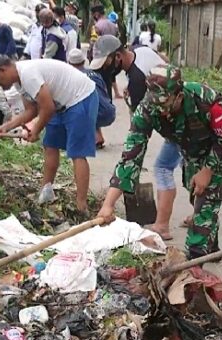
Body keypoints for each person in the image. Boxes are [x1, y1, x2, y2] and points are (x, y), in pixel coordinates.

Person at [97, 65, 222, 259]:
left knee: (206, 199)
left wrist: (208, 170)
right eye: (156, 105)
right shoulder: (148, 108)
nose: (161, 112)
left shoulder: (205, 100)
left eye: (165, 105)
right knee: (197, 194)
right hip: (191, 151)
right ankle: (211, 248)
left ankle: (194, 264)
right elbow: (131, 156)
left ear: (179, 95)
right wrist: (108, 204)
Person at [88, 35, 181, 239]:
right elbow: (165, 66)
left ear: (118, 56)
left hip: (179, 128)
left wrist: (135, 139)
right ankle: (198, 212)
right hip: (177, 118)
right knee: (191, 169)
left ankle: (163, 226)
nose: (107, 69)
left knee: (166, 168)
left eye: (108, 63)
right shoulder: (141, 51)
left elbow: (142, 129)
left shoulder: (139, 80)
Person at [0, 53, 98, 214]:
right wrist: (6, 127)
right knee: (50, 145)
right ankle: (46, 191)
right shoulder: (19, 82)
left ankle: (81, 205)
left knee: (76, 152)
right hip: (60, 104)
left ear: (2, 70)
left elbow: (47, 108)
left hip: (80, 98)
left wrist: (36, 130)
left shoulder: (28, 74)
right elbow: (31, 111)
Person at [67, 48, 116, 148]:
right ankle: (98, 136)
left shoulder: (73, 77)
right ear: (84, 61)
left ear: (69, 63)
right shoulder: (95, 74)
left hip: (98, 113)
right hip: (110, 111)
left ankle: (91, 138)